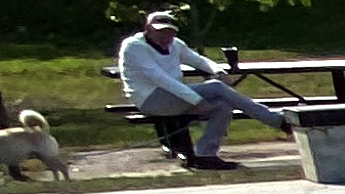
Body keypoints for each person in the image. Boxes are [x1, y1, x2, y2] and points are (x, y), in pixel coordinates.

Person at [116, 11, 296, 168]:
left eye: (169, 31)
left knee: (223, 105)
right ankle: (277, 121)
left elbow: (198, 60)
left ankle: (205, 155)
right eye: (160, 31)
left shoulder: (176, 44)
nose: (165, 36)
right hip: (150, 100)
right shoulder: (133, 46)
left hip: (175, 98)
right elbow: (159, 78)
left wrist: (217, 70)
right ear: (148, 29)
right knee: (217, 87)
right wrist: (196, 100)